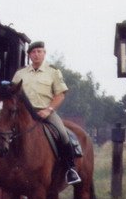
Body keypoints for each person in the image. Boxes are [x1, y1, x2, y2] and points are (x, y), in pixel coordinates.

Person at [11, 41, 82, 185]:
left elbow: (60, 95)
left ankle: (70, 170)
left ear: (44, 53)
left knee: (63, 134)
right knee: (5, 133)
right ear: (29, 55)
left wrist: (48, 110)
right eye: (33, 52)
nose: (36, 54)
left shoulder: (53, 72)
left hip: (46, 112)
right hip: (24, 114)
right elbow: (12, 94)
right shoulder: (20, 74)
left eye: (39, 51)